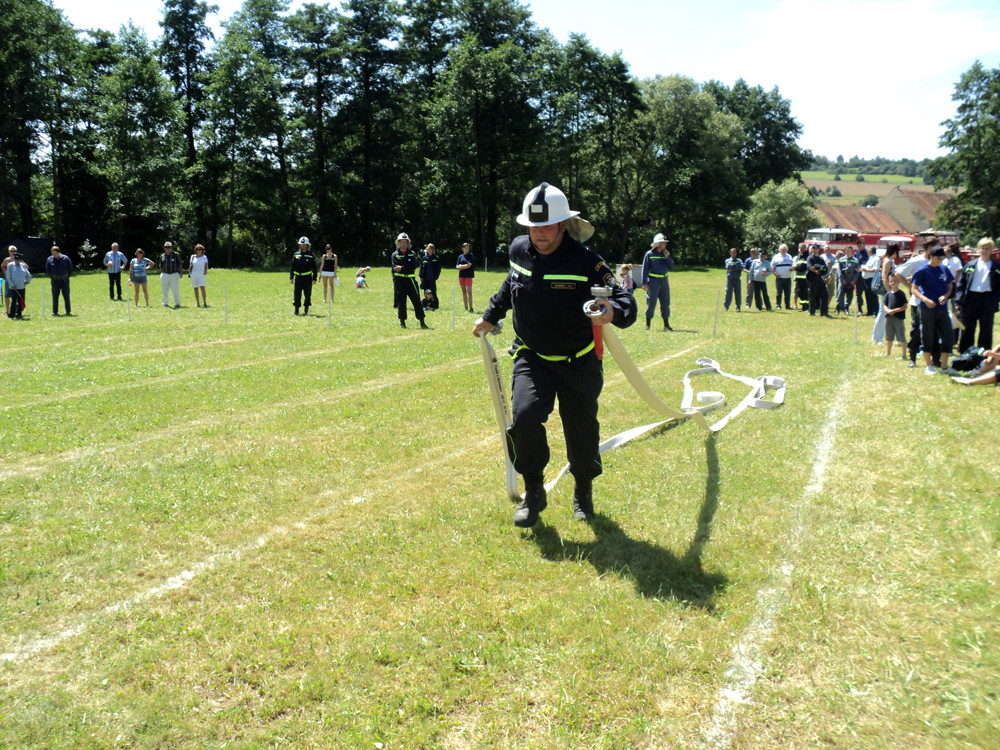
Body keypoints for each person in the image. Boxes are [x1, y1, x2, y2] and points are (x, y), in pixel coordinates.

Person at [472, 182, 637, 527]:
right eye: (533, 226)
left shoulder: (588, 262)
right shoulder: (519, 250)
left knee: (581, 430)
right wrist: (490, 315)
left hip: (579, 360)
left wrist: (612, 312)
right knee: (525, 417)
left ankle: (583, 491)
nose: (539, 233)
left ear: (563, 224)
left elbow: (625, 300)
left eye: (547, 226)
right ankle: (534, 491)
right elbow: (510, 285)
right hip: (532, 355)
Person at [910, 246, 956, 374]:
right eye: (938, 258)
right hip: (927, 309)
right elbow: (914, 289)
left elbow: (950, 286)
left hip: (942, 308)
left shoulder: (944, 268)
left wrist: (946, 296)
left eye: (942, 258)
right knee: (927, 335)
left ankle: (944, 367)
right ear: (931, 256)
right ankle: (928, 365)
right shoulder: (922, 270)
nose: (940, 260)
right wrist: (925, 300)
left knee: (948, 335)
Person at [954, 237, 1000, 352]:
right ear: (978, 249)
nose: (984, 251)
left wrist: (995, 299)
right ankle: (965, 352)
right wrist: (958, 301)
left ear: (991, 250)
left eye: (987, 248)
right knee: (968, 326)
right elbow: (961, 284)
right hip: (971, 298)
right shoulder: (970, 265)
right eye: (982, 248)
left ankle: (983, 353)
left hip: (988, 298)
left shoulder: (996, 267)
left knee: (986, 327)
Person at [895, 241, 933, 368]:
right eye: (932, 248)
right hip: (918, 302)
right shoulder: (917, 261)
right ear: (927, 249)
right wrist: (910, 287)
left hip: (934, 302)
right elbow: (899, 273)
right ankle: (912, 357)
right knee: (916, 330)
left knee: (933, 330)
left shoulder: (939, 262)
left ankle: (935, 358)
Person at [391, 232, 428, 329]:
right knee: (401, 302)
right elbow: (395, 268)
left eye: (405, 242)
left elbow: (413, 266)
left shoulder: (412, 254)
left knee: (416, 301)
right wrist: (405, 267)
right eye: (402, 242)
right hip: (399, 281)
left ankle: (422, 322)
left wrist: (402, 267)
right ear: (399, 243)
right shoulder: (395, 255)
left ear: (408, 243)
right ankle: (402, 323)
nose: (403, 244)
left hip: (410, 280)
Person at [641, 232, 675, 330]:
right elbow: (645, 269)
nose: (665, 244)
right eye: (663, 242)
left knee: (665, 303)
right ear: (657, 243)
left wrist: (668, 257)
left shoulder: (666, 254)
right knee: (651, 303)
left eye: (665, 242)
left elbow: (672, 267)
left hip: (664, 281)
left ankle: (666, 324)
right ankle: (648, 324)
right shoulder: (649, 254)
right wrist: (644, 283)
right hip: (653, 281)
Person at [871, 244, 900, 346]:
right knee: (883, 314)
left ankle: (893, 336)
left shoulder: (889, 260)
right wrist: (889, 292)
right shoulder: (887, 261)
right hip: (887, 291)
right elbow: (884, 277)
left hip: (891, 290)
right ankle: (878, 338)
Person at [290, 236, 317, 315]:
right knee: (297, 294)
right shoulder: (296, 254)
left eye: (303, 244)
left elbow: (314, 267)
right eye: (300, 244)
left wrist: (314, 278)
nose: (302, 246)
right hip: (298, 278)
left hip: (307, 278)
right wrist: (291, 277)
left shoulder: (311, 255)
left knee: (307, 294)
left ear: (307, 245)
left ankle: (306, 309)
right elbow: (292, 266)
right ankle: (296, 310)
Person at [883, 273, 908, 358]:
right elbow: (885, 305)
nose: (892, 283)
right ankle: (888, 353)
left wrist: (894, 311)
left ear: (898, 282)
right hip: (889, 318)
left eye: (895, 281)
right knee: (889, 336)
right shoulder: (888, 294)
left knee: (901, 336)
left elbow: (904, 306)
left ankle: (904, 355)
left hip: (898, 318)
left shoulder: (901, 294)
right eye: (891, 281)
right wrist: (887, 310)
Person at [46, 245, 73, 316]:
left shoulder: (66, 258)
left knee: (66, 296)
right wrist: (52, 277)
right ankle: (55, 312)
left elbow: (70, 268)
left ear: (58, 252)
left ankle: (68, 311)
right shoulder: (49, 259)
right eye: (52, 253)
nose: (53, 255)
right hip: (55, 281)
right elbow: (48, 270)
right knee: (55, 296)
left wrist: (66, 276)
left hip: (64, 280)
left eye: (54, 253)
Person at [5, 251, 31, 319]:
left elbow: (28, 275)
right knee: (14, 301)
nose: (17, 261)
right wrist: (12, 284)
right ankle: (12, 314)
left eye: (18, 259)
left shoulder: (23, 266)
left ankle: (19, 314)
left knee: (21, 300)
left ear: (20, 260)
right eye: (15, 259)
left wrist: (27, 281)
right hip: (14, 287)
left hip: (21, 287)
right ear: (14, 259)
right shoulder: (10, 265)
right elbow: (8, 276)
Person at [806, 244, 830, 316]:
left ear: (818, 249)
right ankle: (812, 312)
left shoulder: (820, 258)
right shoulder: (810, 258)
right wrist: (816, 270)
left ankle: (824, 312)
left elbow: (825, 268)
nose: (814, 249)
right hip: (812, 278)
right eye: (813, 248)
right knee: (812, 295)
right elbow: (810, 267)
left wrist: (819, 268)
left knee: (824, 294)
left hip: (819, 278)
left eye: (816, 248)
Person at [835, 248, 861, 314]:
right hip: (843, 277)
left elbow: (857, 271)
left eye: (849, 251)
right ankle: (838, 308)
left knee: (850, 294)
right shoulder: (841, 259)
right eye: (847, 251)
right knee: (840, 293)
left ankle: (847, 308)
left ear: (852, 251)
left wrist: (854, 280)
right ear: (845, 251)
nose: (848, 252)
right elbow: (839, 270)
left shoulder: (855, 260)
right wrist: (842, 279)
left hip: (851, 278)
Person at [159, 241, 183, 308]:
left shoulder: (176, 255)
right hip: (165, 274)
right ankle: (165, 303)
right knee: (165, 290)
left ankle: (177, 303)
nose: (167, 248)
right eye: (166, 247)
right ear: (164, 248)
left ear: (171, 248)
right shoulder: (162, 256)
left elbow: (180, 264)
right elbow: (160, 265)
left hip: (174, 274)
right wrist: (162, 273)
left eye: (169, 247)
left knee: (175, 289)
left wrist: (181, 272)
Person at [771, 244, 793, 309]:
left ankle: (787, 305)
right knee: (779, 292)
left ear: (787, 249)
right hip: (779, 278)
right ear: (779, 250)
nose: (783, 250)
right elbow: (772, 267)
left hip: (788, 277)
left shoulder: (789, 256)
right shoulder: (776, 257)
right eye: (782, 249)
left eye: (785, 249)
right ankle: (778, 305)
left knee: (787, 292)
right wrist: (776, 274)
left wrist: (792, 269)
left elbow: (792, 265)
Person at [420, 243, 441, 311]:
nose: (428, 250)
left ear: (432, 250)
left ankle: (435, 305)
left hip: (432, 278)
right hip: (425, 278)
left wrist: (436, 276)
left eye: (430, 249)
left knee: (433, 292)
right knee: (426, 292)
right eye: (428, 249)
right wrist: (421, 276)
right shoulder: (424, 258)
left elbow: (438, 268)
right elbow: (421, 267)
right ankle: (425, 306)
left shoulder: (436, 258)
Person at [860, 246, 880, 316]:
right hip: (866, 279)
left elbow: (875, 269)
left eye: (868, 251)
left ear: (871, 251)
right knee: (868, 295)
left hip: (872, 279)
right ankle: (870, 311)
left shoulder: (876, 259)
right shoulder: (870, 259)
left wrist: (866, 270)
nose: (867, 252)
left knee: (873, 296)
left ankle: (875, 311)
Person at [457, 242, 475, 312]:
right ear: (462, 248)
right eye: (466, 248)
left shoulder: (470, 255)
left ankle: (471, 308)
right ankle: (466, 307)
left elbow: (469, 265)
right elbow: (457, 267)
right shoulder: (460, 256)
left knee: (469, 292)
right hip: (461, 276)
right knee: (464, 291)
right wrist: (464, 266)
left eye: (468, 248)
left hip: (469, 275)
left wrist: (461, 266)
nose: (467, 249)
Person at [792, 243, 810, 311]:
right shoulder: (799, 256)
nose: (801, 249)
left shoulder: (808, 256)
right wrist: (795, 267)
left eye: (802, 247)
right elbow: (797, 265)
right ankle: (803, 306)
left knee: (806, 292)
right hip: (798, 277)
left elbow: (807, 266)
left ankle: (807, 306)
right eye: (799, 247)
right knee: (800, 292)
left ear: (805, 248)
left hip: (805, 277)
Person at [2, 245, 16, 316]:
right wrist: (6, 273)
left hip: (16, 280)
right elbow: (2, 266)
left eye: (14, 251)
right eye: (11, 251)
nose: (13, 252)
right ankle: (7, 310)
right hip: (8, 280)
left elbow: (26, 266)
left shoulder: (18, 259)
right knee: (7, 295)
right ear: (9, 252)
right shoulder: (7, 260)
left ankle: (15, 310)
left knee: (16, 295)